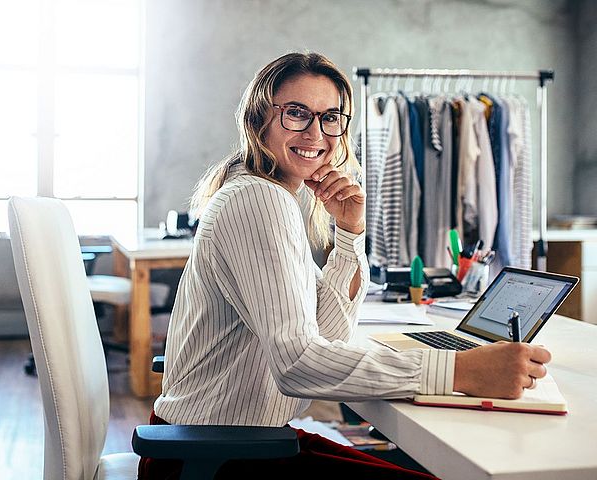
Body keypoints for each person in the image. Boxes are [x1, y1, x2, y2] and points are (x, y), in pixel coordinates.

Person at [138, 52, 551, 480]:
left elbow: (331, 333)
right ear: (259, 118)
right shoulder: (257, 200)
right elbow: (298, 365)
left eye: (330, 116)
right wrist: (460, 370)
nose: (316, 132)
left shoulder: (272, 196)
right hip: (216, 458)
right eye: (296, 113)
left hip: (236, 445)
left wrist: (349, 232)